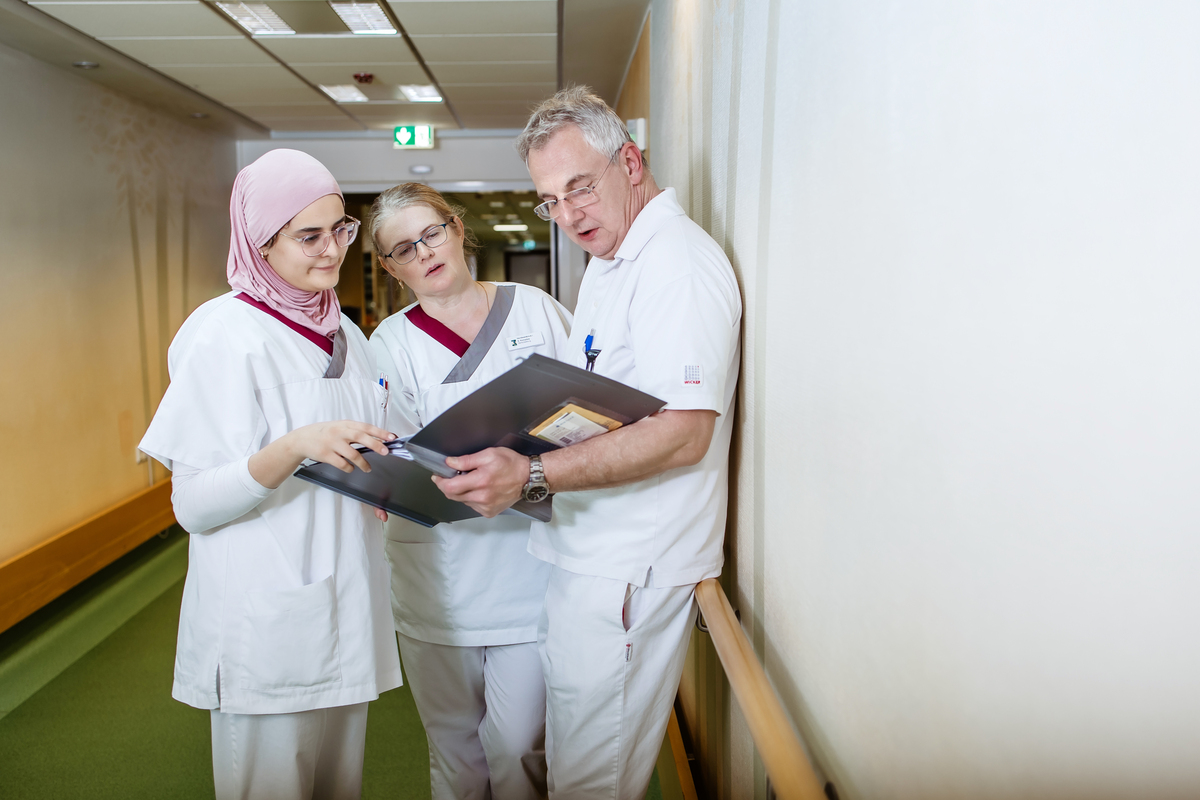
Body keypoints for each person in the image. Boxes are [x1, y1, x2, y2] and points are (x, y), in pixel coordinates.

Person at [431, 87, 742, 798]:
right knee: (569, 769)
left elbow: (685, 433)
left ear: (630, 163)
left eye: (580, 188)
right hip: (587, 556)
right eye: (551, 201)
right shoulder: (612, 262)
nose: (569, 216)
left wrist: (530, 475)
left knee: (589, 784)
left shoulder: (676, 266)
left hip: (629, 570)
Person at [139, 149, 402, 800]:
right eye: (308, 236)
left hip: (347, 606)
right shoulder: (222, 333)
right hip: (265, 625)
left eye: (340, 229)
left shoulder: (347, 333)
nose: (331, 250)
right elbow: (193, 506)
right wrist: (293, 448)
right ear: (260, 244)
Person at [367, 183, 571, 800]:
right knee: (455, 752)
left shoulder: (534, 309)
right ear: (390, 267)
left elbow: (582, 414)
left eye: (431, 233)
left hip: (531, 574)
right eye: (404, 249)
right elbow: (396, 458)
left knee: (519, 747)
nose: (424, 252)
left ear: (456, 229)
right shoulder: (389, 344)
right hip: (440, 581)